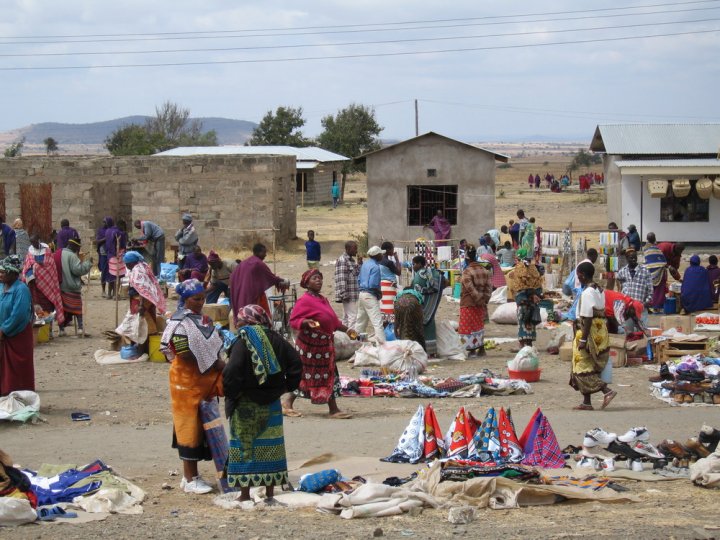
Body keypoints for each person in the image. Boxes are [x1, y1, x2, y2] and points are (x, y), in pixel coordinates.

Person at [224, 304, 302, 501]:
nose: (238, 325)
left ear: (249, 321)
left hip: (245, 404)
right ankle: (269, 493)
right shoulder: (277, 340)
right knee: (271, 447)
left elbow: (232, 371)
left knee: (245, 448)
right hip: (272, 404)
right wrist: (285, 387)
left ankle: (244, 495)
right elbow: (296, 363)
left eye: (240, 321)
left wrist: (232, 394)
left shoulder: (243, 341)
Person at [160, 279, 225, 494]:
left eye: (202, 298)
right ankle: (190, 478)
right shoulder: (179, 323)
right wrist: (211, 362)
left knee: (203, 429)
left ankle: (192, 475)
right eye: (196, 299)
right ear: (185, 299)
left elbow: (211, 341)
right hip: (186, 383)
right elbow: (182, 352)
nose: (200, 302)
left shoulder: (202, 320)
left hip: (203, 383)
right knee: (188, 430)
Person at [282, 269, 355, 419]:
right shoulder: (304, 300)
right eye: (315, 278)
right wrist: (305, 322)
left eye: (320, 279)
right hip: (310, 346)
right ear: (307, 282)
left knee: (329, 375)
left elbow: (333, 321)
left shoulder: (323, 299)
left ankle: (333, 409)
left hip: (324, 347)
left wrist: (348, 330)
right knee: (305, 375)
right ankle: (287, 403)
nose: (319, 281)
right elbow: (293, 320)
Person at [570, 261, 617, 411]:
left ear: (582, 276)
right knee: (589, 365)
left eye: (578, 276)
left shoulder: (587, 293)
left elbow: (587, 317)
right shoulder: (599, 290)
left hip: (588, 333)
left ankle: (606, 390)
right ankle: (586, 402)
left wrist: (583, 339)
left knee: (581, 366)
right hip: (599, 332)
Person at [0, 255, 34, 396]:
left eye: (3, 272)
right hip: (3, 334)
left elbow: (18, 315)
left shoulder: (21, 289)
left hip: (17, 335)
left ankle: (20, 396)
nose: (0, 275)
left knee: (18, 368)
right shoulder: (1, 287)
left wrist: (4, 329)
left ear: (13, 273)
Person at [230, 243, 288, 323]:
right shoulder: (258, 263)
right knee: (250, 311)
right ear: (258, 252)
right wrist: (281, 280)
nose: (265, 255)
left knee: (242, 308)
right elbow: (270, 277)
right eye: (264, 252)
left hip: (240, 290)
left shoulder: (245, 262)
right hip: (249, 293)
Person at [21, 235, 65, 331]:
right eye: (32, 242)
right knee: (38, 308)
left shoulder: (47, 251)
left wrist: (39, 267)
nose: (34, 244)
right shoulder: (30, 252)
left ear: (39, 240)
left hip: (48, 283)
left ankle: (49, 329)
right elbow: (27, 265)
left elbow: (51, 265)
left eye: (35, 242)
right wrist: (33, 269)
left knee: (49, 307)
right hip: (35, 286)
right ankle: (40, 330)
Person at [124, 251, 167, 341]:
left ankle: (145, 345)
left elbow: (143, 290)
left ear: (132, 262)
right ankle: (146, 342)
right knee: (146, 322)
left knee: (144, 324)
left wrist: (141, 305)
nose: (126, 266)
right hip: (147, 300)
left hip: (143, 301)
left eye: (127, 264)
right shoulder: (142, 266)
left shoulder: (138, 271)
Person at [458, 247, 492, 357]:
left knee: (468, 328)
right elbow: (489, 288)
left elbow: (470, 289)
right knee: (479, 326)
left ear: (467, 259)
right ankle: (481, 349)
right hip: (481, 304)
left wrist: (477, 299)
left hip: (469, 303)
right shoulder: (485, 270)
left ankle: (471, 350)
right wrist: (484, 299)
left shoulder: (467, 272)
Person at [409, 255, 444, 355]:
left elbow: (417, 290)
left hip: (422, 304)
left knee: (421, 325)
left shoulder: (420, 274)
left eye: (414, 264)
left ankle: (423, 350)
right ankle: (431, 351)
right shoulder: (427, 273)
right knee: (429, 323)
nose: (413, 266)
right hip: (428, 305)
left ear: (420, 264)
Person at [508, 248, 544, 348]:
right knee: (530, 323)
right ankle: (529, 343)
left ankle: (522, 344)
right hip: (532, 302)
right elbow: (538, 287)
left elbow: (516, 287)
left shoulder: (519, 268)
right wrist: (534, 295)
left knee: (522, 321)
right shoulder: (533, 268)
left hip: (523, 302)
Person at [59, 238, 92, 337]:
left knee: (63, 309)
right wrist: (88, 263)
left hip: (61, 286)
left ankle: (61, 329)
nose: (78, 250)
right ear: (74, 246)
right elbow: (78, 270)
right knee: (77, 309)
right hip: (71, 286)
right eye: (78, 247)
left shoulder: (59, 253)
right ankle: (81, 328)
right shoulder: (72, 256)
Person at [354, 245, 386, 344]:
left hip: (362, 294)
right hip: (370, 295)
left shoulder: (365, 264)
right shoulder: (376, 267)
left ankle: (356, 343)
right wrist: (379, 292)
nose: (382, 256)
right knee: (377, 322)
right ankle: (382, 346)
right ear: (377, 255)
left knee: (360, 321)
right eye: (381, 254)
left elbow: (359, 279)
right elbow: (372, 284)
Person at [334, 240, 361, 328]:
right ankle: (352, 339)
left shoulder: (351, 260)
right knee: (353, 317)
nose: (356, 251)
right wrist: (344, 294)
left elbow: (354, 274)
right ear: (348, 249)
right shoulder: (343, 260)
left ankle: (344, 338)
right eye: (355, 249)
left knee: (346, 317)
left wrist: (359, 264)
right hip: (348, 294)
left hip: (352, 293)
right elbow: (341, 278)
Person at [643, 233, 672, 311]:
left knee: (649, 289)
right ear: (655, 239)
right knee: (659, 289)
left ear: (647, 239)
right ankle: (657, 306)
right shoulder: (657, 249)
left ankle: (649, 305)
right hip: (658, 272)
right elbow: (663, 261)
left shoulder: (645, 248)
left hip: (648, 271)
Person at [105, 218, 128, 300]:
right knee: (118, 275)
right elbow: (122, 245)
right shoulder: (120, 232)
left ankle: (109, 294)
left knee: (111, 274)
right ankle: (115, 295)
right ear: (121, 225)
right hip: (117, 256)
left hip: (109, 256)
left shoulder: (108, 231)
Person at [379, 241, 401, 322]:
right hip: (389, 286)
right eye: (392, 249)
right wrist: (397, 259)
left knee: (384, 307)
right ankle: (390, 326)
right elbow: (399, 272)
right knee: (390, 307)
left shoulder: (379, 260)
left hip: (382, 285)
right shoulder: (389, 262)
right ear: (388, 250)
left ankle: (385, 325)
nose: (393, 251)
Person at [94, 217, 111, 298]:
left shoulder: (111, 230)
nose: (104, 224)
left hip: (111, 253)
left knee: (111, 272)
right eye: (103, 222)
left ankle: (110, 292)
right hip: (103, 253)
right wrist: (105, 238)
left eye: (105, 222)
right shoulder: (101, 231)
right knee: (104, 271)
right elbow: (97, 241)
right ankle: (103, 291)